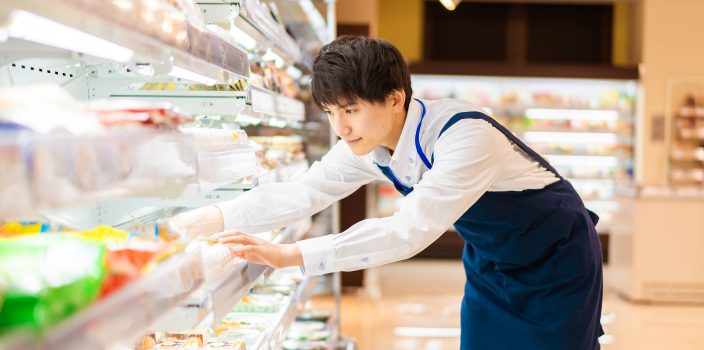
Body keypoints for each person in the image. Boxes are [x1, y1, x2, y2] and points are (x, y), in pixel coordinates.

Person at [171, 35, 604, 349]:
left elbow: (408, 231)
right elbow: (304, 192)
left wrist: (294, 255)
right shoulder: (367, 144)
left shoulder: (465, 134)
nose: (340, 128)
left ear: (395, 99)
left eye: (350, 110)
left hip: (555, 258)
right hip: (493, 259)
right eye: (330, 112)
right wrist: (215, 217)